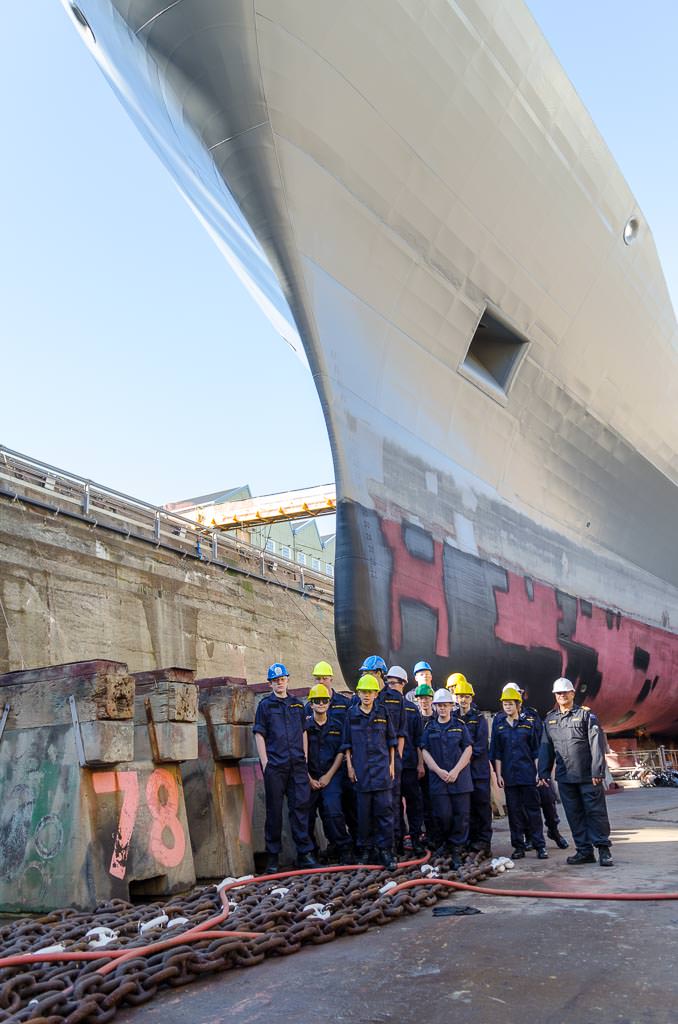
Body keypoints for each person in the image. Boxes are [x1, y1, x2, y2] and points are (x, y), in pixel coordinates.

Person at [538, 678, 613, 867]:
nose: (562, 695)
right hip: (565, 777)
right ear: (555, 695)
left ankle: (603, 850)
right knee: (574, 815)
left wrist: (598, 771)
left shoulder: (586, 716)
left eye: (565, 692)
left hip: (588, 776)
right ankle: (584, 851)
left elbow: (597, 745)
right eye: (558, 693)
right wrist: (543, 772)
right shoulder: (550, 719)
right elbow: (546, 747)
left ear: (572, 694)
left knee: (595, 813)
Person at [253, 663, 318, 873]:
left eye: (282, 679)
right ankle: (273, 858)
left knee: (300, 809)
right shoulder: (265, 706)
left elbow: (304, 732)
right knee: (274, 812)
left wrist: (304, 758)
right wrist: (265, 763)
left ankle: (305, 854)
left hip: (297, 765)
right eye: (275, 680)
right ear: (270, 683)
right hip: (276, 766)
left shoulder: (297, 705)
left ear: (287, 680)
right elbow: (259, 734)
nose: (280, 683)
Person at [342, 673, 398, 868]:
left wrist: (391, 765)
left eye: (370, 692)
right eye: (363, 692)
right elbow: (346, 743)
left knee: (385, 812)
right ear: (358, 693)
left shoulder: (383, 713)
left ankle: (385, 851)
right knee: (363, 814)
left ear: (376, 694)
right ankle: (366, 850)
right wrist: (349, 766)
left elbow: (391, 740)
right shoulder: (351, 714)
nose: (367, 695)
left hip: (382, 770)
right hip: (362, 771)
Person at [490, 684, 547, 860]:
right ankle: (518, 847)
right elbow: (497, 753)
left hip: (528, 774)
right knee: (514, 812)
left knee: (533, 811)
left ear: (518, 705)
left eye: (510, 704)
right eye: (505, 704)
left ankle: (540, 846)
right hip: (510, 776)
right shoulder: (499, 727)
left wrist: (539, 772)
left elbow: (536, 751)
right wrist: (499, 775)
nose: (507, 706)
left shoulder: (528, 725)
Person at [420, 689, 473, 868]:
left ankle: (457, 847)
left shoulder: (460, 725)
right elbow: (424, 750)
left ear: (451, 706)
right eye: (439, 705)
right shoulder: (430, 728)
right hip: (439, 780)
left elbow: (468, 749)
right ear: (435, 707)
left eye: (445, 705)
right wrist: (437, 770)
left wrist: (456, 771)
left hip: (460, 779)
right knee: (443, 815)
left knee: (461, 815)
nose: (442, 708)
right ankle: (445, 843)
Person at [515, 684, 569, 850]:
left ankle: (554, 831)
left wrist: (542, 769)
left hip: (538, 767)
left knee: (547, 800)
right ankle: (530, 836)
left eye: (518, 694)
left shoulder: (532, 715)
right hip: (521, 770)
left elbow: (541, 742)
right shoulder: (503, 720)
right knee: (525, 807)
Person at [305, 683, 354, 864]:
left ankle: (343, 848)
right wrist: (310, 778)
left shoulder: (337, 725)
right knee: (306, 815)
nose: (321, 703)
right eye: (317, 701)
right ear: (311, 704)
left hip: (331, 776)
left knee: (333, 811)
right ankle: (311, 854)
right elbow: (300, 753)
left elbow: (341, 752)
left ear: (329, 703)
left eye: (324, 700)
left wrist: (328, 776)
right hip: (309, 777)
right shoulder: (305, 727)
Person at [452, 676, 492, 856]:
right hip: (461, 773)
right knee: (464, 808)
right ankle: (467, 840)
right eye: (460, 696)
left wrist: (461, 761)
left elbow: (481, 746)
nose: (463, 699)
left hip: (477, 772)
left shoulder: (479, 719)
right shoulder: (453, 718)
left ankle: (483, 842)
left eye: (466, 696)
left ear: (471, 698)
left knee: (481, 806)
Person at [413, 682, 438, 849]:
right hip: (423, 769)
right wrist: (421, 764)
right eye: (421, 698)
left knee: (438, 803)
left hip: (438, 768)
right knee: (425, 803)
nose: (424, 701)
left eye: (427, 698)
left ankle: (439, 835)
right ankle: (429, 836)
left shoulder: (438, 718)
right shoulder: (416, 719)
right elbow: (417, 744)